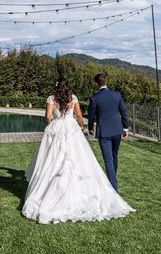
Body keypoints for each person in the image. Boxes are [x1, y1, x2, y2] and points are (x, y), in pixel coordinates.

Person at [22, 77, 134, 224]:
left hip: (57, 128)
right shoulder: (73, 98)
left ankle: (52, 190)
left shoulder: (51, 98)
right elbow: (79, 116)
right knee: (78, 158)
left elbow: (48, 117)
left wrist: (52, 124)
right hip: (71, 128)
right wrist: (81, 126)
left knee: (54, 159)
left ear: (56, 86)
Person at [87, 73, 129, 191]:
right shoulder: (116, 95)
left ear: (96, 83)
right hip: (117, 130)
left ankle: (113, 188)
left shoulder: (94, 98)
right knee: (114, 156)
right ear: (107, 81)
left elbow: (91, 116)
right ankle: (113, 179)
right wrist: (125, 128)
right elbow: (124, 112)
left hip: (104, 133)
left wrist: (90, 128)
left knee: (108, 160)